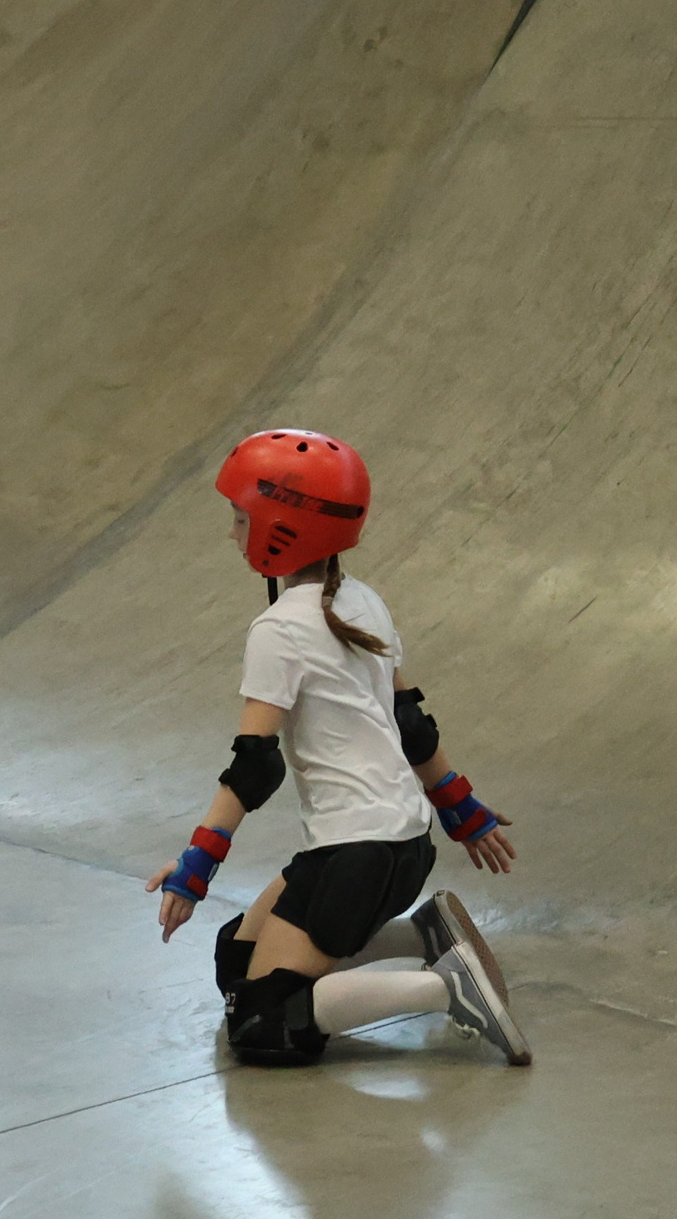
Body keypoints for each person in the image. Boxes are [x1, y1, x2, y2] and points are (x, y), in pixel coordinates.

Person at [144, 428, 529, 1068]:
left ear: (278, 530)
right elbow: (413, 726)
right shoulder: (363, 600)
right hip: (398, 844)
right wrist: (463, 811)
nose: (232, 534)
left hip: (359, 856)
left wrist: (196, 866)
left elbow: (255, 766)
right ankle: (422, 934)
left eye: (241, 519)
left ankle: (447, 990)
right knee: (235, 963)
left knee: (263, 1023)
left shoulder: (277, 631)